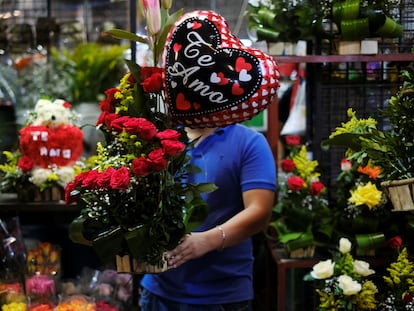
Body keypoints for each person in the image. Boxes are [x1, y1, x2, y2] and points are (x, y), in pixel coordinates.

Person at [140, 122, 277, 311]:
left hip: (221, 294)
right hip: (158, 289)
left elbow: (260, 211)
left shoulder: (249, 142)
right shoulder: (163, 138)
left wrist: (207, 241)